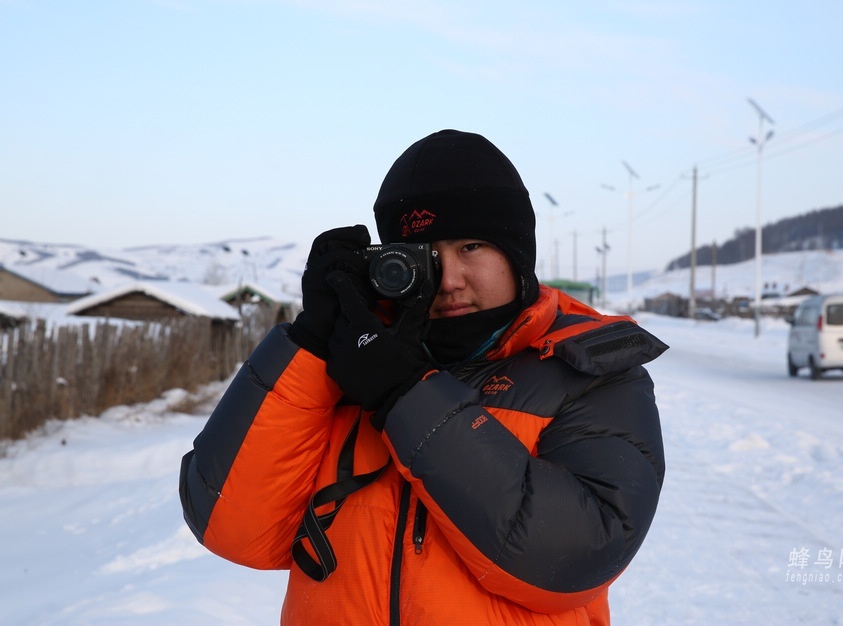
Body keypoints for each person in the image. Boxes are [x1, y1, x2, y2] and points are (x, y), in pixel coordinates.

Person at [179, 129, 667, 625]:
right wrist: (309, 343)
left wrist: (406, 396)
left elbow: (576, 556)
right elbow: (229, 527)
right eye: (425, 257)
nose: (450, 279)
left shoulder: (587, 371)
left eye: (471, 246)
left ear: (518, 255)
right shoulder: (348, 367)